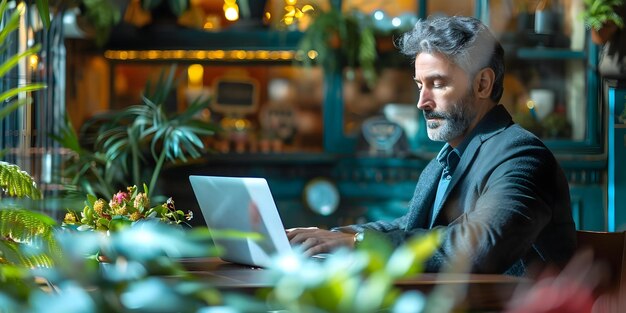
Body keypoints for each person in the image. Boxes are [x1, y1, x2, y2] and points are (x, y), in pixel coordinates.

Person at [287, 15, 576, 275]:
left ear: (483, 84)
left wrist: (358, 243)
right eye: (419, 85)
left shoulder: (522, 155)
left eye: (437, 84)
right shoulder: (448, 158)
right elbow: (410, 227)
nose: (421, 102)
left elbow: (480, 245)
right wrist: (331, 236)